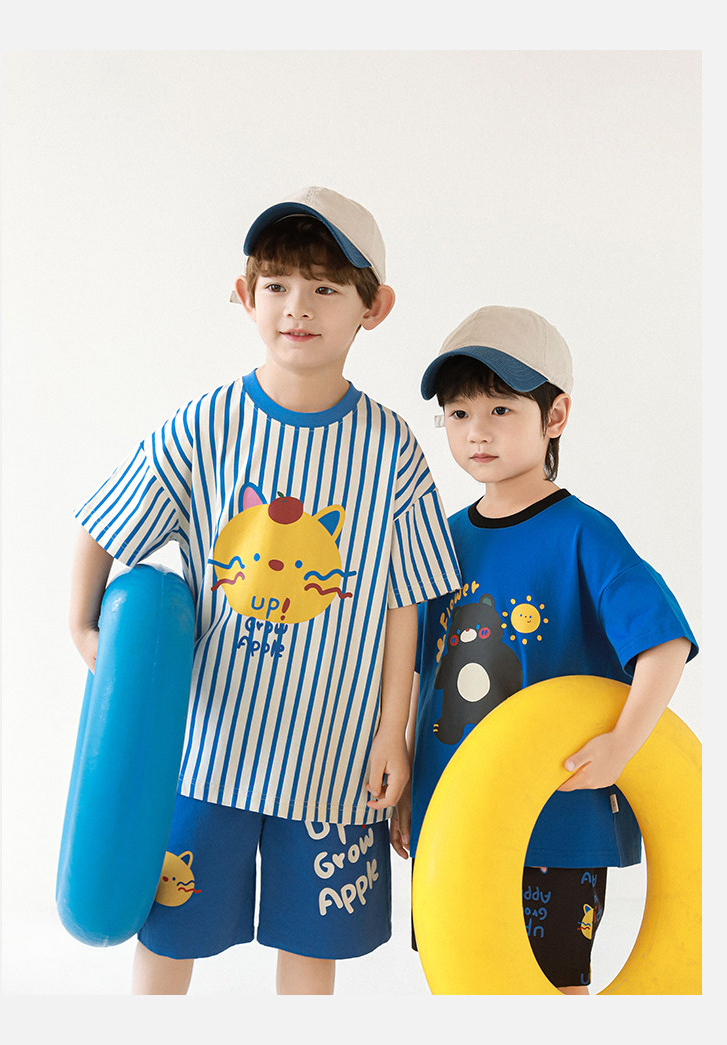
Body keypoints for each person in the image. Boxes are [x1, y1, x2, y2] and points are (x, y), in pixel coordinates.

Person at [68, 186, 461, 995]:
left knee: (310, 948)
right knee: (169, 930)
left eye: (325, 287)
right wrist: (84, 629)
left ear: (374, 307)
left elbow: (407, 603)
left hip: (335, 757)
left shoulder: (391, 450)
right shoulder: (208, 424)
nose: (297, 306)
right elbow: (109, 516)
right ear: (245, 295)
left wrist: (394, 731)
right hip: (207, 749)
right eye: (277, 283)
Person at [391, 305, 697, 993]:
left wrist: (622, 746)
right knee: (464, 986)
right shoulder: (441, 541)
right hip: (456, 817)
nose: (477, 431)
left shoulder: (585, 535)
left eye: (500, 409)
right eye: (459, 413)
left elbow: (665, 642)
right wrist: (409, 773)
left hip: (558, 818)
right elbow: (422, 673)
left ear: (554, 415)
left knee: (555, 994)